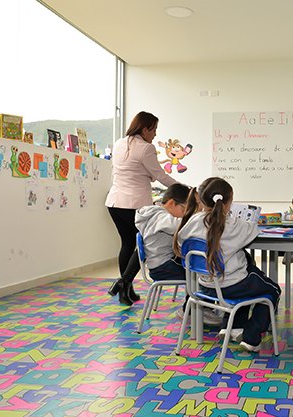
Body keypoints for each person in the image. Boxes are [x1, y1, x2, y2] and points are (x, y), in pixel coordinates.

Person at [173, 177, 282, 352]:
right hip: (231, 284)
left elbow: (182, 240)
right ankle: (251, 337)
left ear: (202, 199)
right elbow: (252, 229)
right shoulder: (232, 224)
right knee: (272, 290)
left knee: (246, 280)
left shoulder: (193, 222)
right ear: (227, 203)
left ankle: (231, 327)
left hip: (205, 285)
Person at [105, 111, 178, 306]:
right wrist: (185, 190)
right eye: (153, 129)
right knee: (144, 243)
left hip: (114, 202)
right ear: (145, 129)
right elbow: (161, 177)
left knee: (127, 243)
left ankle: (125, 291)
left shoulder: (120, 143)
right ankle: (124, 282)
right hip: (134, 204)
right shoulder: (146, 148)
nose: (155, 134)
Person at [134, 184, 220, 325]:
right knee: (200, 273)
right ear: (171, 203)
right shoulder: (160, 216)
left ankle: (199, 306)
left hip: (161, 263)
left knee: (198, 268)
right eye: (184, 209)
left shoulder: (153, 213)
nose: (184, 213)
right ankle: (191, 310)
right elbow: (179, 225)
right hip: (163, 266)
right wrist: (199, 217)